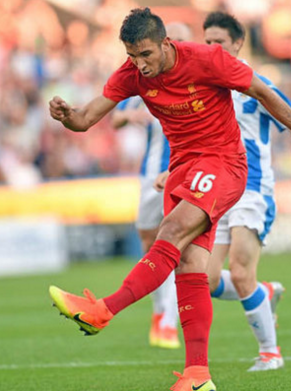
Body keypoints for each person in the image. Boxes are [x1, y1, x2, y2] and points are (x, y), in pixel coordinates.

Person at [48, 8, 291, 390]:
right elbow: (85, 119)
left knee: (173, 229)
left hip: (224, 164)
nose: (140, 65)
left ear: (166, 43)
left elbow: (264, 92)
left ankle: (102, 310)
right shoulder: (131, 74)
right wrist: (66, 115)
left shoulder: (207, 60)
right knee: (190, 267)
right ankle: (198, 375)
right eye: (132, 56)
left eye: (146, 54)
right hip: (182, 170)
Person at [202, 11, 291, 372]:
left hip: (252, 189)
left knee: (239, 270)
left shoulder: (256, 83)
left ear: (237, 43)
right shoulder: (201, 88)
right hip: (217, 192)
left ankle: (271, 353)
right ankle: (263, 293)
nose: (210, 48)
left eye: (217, 42)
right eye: (205, 43)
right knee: (202, 279)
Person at [111, 22, 193, 350]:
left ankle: (168, 321)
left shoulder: (194, 79)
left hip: (183, 174)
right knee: (150, 243)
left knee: (173, 245)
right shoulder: (147, 82)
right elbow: (115, 117)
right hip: (150, 175)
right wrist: (131, 117)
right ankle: (160, 310)